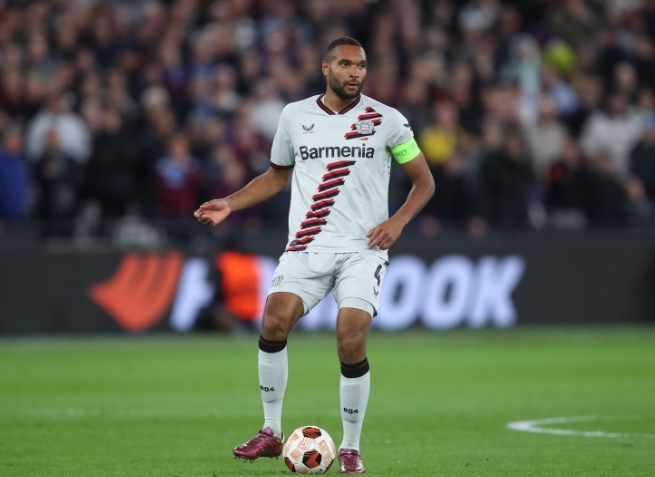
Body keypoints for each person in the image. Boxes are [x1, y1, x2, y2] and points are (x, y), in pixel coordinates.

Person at [194, 37, 435, 474]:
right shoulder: (295, 116)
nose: (355, 72)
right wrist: (230, 203)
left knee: (350, 337)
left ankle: (351, 447)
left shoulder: (387, 121)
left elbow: (424, 181)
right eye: (345, 64)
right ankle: (270, 431)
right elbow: (275, 178)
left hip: (362, 250)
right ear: (326, 68)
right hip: (306, 246)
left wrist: (398, 221)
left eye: (361, 65)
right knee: (273, 320)